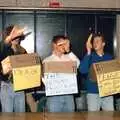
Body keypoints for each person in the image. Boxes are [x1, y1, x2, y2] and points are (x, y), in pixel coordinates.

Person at [79, 33, 114, 111]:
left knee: (110, 116)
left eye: (98, 41)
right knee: (93, 117)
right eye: (94, 41)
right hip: (93, 93)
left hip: (107, 93)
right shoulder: (89, 56)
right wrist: (88, 52)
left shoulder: (109, 57)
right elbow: (82, 70)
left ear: (103, 44)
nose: (95, 43)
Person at [43, 35, 77, 112]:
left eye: (66, 44)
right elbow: (44, 79)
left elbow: (78, 65)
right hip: (54, 96)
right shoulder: (47, 61)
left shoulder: (69, 58)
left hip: (69, 95)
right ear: (55, 45)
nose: (64, 46)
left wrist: (69, 51)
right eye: (62, 44)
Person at [0, 25, 26, 112]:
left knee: (21, 115)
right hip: (7, 85)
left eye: (18, 35)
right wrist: (7, 40)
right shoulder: (3, 48)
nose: (17, 37)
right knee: (8, 115)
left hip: (20, 86)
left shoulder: (22, 50)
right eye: (15, 35)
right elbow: (3, 47)